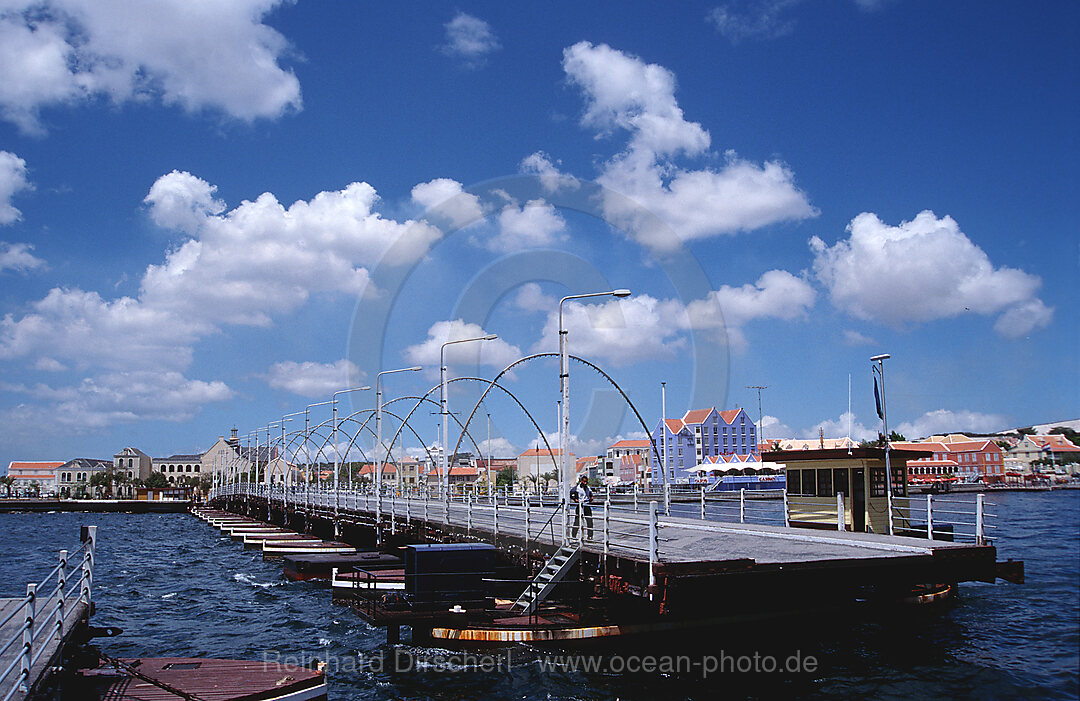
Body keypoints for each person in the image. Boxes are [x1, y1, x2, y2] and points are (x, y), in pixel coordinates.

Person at [569, 474, 594, 541]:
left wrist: (591, 498)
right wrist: (574, 499)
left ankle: (590, 536)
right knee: (577, 521)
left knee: (589, 521)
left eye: (586, 482)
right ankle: (573, 536)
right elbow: (570, 493)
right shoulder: (577, 488)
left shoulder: (588, 488)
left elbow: (591, 494)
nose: (585, 483)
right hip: (580, 505)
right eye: (584, 481)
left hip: (587, 505)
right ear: (581, 481)